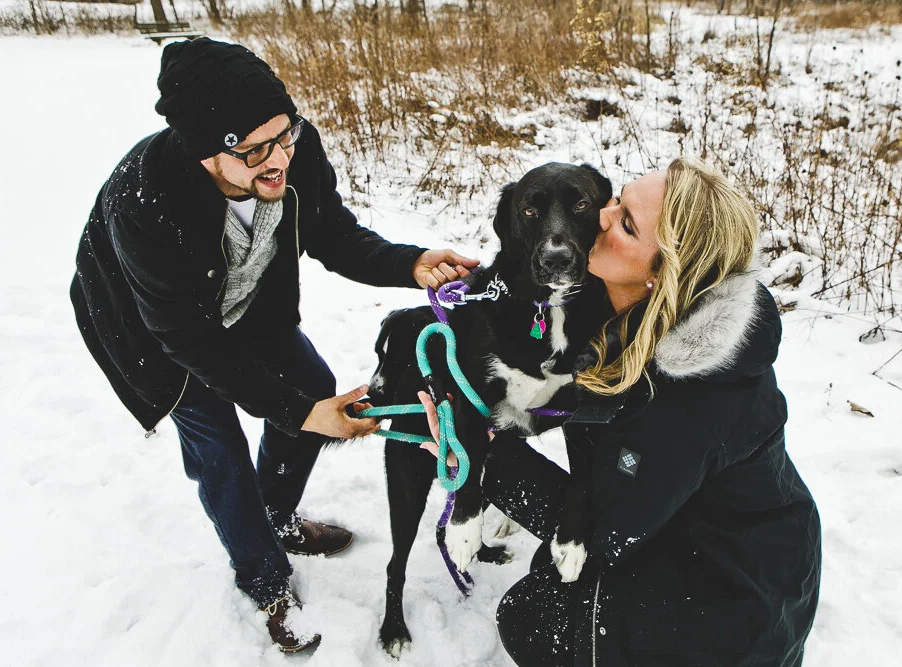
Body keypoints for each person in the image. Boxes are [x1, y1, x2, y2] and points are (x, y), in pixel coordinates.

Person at [69, 37, 477, 653]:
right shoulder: (144, 200)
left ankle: (274, 516)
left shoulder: (292, 148)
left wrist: (411, 263)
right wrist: (297, 413)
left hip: (247, 302)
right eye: (253, 150)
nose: (277, 160)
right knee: (220, 449)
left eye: (283, 135)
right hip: (153, 332)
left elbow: (330, 231)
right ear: (205, 151)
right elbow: (182, 333)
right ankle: (264, 581)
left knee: (309, 385)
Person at [419, 157, 821, 665]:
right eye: (616, 201)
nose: (602, 217)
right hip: (753, 554)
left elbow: (607, 527)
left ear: (662, 273)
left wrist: (483, 460)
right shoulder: (638, 316)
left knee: (530, 616)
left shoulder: (684, 391)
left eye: (626, 223)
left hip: (730, 609)